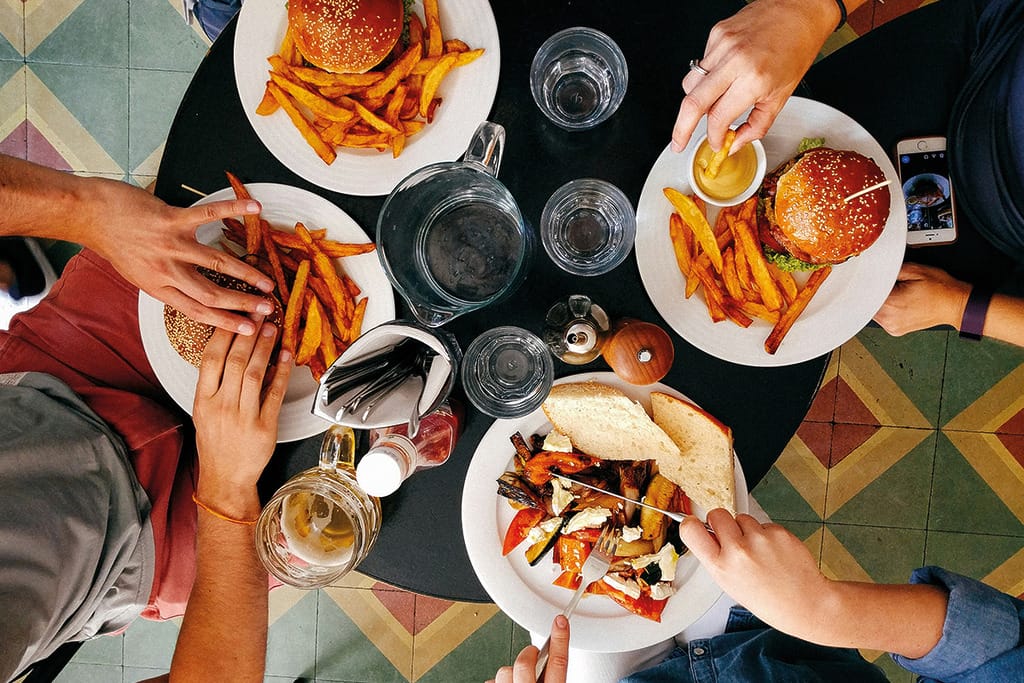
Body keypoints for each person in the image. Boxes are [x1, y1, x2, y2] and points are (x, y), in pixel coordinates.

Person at [0, 156, 287, 680]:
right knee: (381, 469)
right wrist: (227, 492)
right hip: (144, 552)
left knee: (229, 183)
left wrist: (85, 210)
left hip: (44, 379)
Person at [671, 0, 1024, 347]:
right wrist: (809, 10)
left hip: (991, 239)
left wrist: (963, 308)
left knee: (861, 305)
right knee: (798, 92)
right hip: (983, 40)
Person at [490, 510, 1024, 683]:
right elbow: (1000, 652)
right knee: (713, 510)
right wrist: (823, 608)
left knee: (551, 603)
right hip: (784, 640)